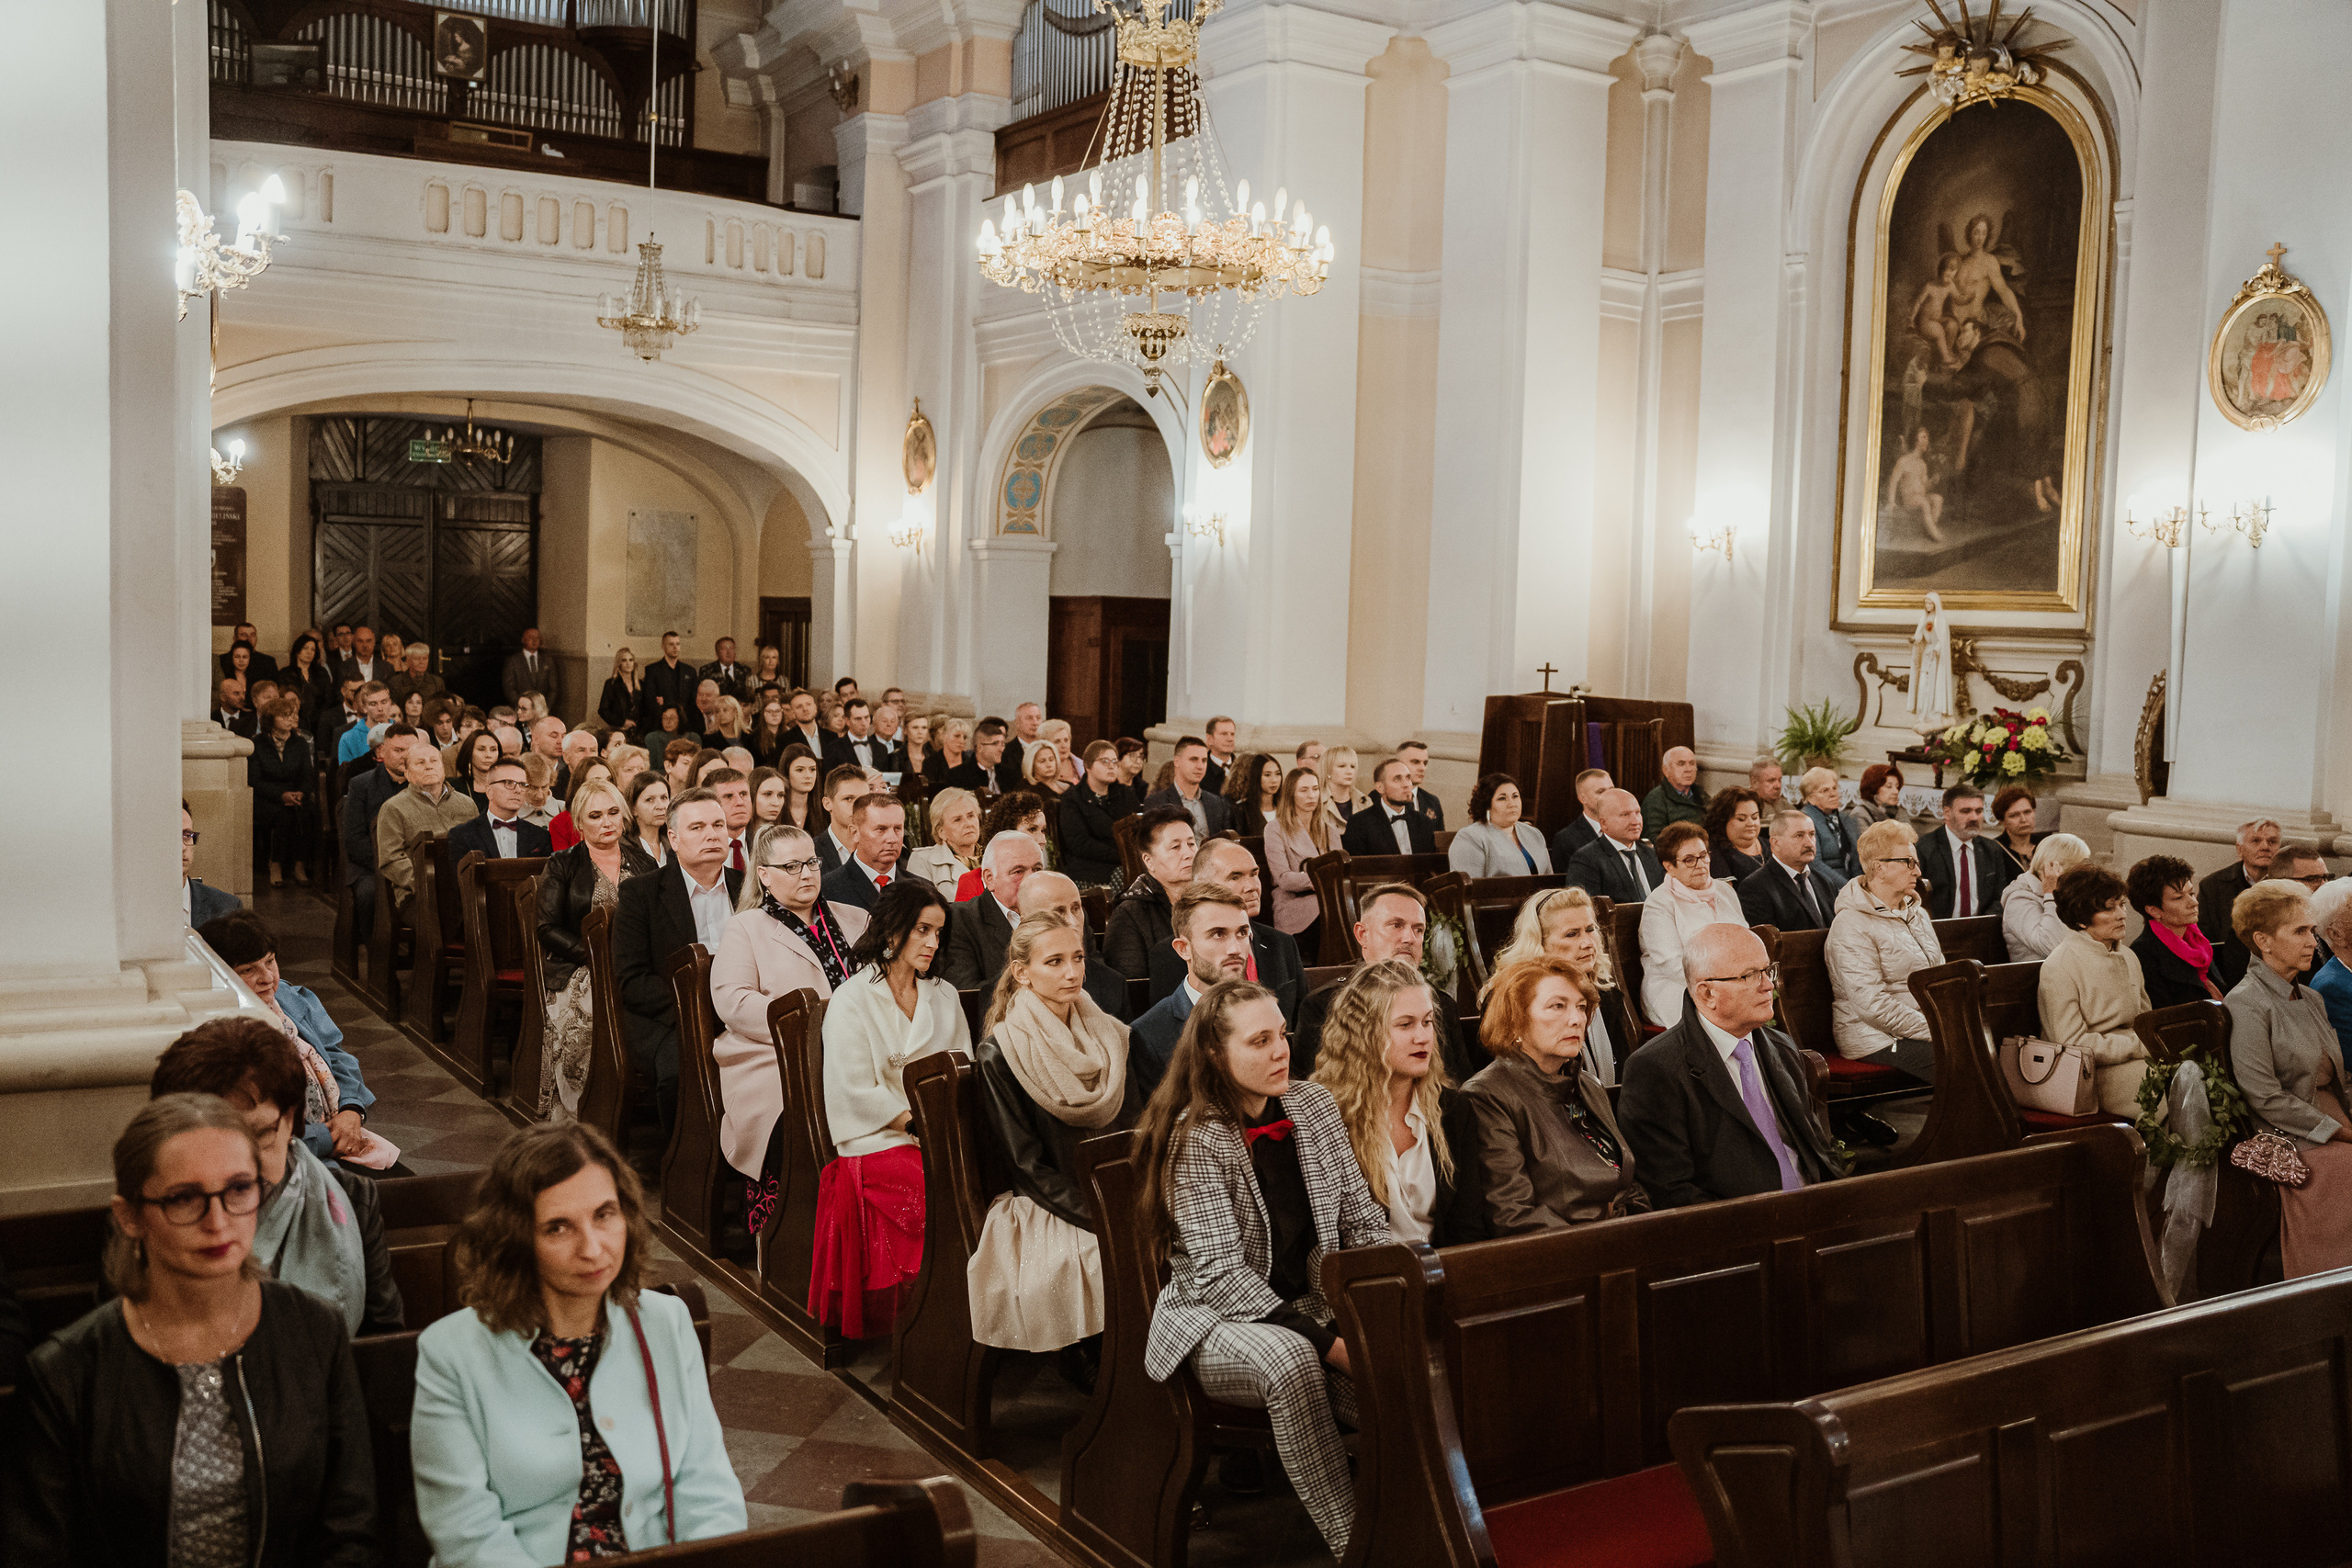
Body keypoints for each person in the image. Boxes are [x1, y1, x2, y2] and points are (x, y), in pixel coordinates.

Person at [3, 1095, 378, 1567]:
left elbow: (350, 1528)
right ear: (130, 1217)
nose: (218, 1223)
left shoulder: (314, 1331)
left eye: (239, 1189)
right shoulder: (66, 1374)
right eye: (184, 1198)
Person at [1135, 979, 1391, 1560]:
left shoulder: (1313, 1105)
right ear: (1213, 1055)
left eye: (1282, 1035)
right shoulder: (1195, 1137)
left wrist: (1375, 1310)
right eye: (1259, 1041)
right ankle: (1358, 1546)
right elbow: (1222, 1276)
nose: (1281, 1052)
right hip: (1213, 1320)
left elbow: (1361, 1220)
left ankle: (1428, 1516)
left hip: (1311, 1307)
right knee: (1293, 1359)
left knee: (1406, 1368)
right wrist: (1333, 1345)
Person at [413, 1122, 745, 1562]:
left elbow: (708, 1491)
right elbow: (468, 1536)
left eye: (605, 1214)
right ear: (517, 1239)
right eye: (558, 1228)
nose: (593, 1248)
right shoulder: (450, 1355)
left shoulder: (665, 1323)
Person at [969, 912, 1143, 1382]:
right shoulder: (999, 1053)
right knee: (1098, 1256)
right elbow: (1027, 1167)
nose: (1072, 972)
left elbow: (1142, 1122)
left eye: (1078, 958)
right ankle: (1106, 1373)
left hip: (1121, 1181)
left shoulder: (1111, 1034)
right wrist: (1100, 1214)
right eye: (1055, 962)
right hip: (1053, 1200)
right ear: (1022, 971)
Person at [149, 1018, 405, 1336]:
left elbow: (383, 1339)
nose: (242, 1166)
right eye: (218, 1141)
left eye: (261, 1135)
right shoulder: (151, 1208)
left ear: (290, 1121)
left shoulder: (352, 1196)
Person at [810, 879, 966, 1337]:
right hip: (876, 1137)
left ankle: (963, 1304)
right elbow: (853, 1087)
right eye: (922, 930)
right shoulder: (851, 999)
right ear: (893, 931)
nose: (932, 943)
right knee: (934, 1185)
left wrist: (943, 1124)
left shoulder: (946, 996)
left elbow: (960, 1069)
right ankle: (927, 1313)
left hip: (937, 1131)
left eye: (938, 933)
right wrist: (914, 1122)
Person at [710, 824, 867, 1235]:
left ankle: (860, 1240)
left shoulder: (855, 919)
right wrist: (808, 1021)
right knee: (798, 1123)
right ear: (764, 874)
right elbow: (733, 1001)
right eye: (792, 866)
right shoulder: (745, 927)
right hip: (774, 1058)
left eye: (812, 863)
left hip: (855, 1052)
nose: (807, 874)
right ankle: (786, 1243)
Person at [1618, 923, 1845, 1207]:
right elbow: (1669, 1189)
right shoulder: (1656, 1069)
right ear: (1707, 994)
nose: (1769, 985)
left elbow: (1816, 1151)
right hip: (1738, 1233)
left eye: (1767, 970)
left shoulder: (1781, 1047)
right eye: (1750, 975)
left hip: (1813, 1211)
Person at [1456, 955, 1647, 1236]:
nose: (1576, 1019)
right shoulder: (1487, 1095)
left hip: (1622, 1240)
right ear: (1516, 1019)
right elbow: (1514, 1215)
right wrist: (1605, 1242)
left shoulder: (1588, 1085)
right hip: (1561, 1259)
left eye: (1581, 1007)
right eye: (1558, 1006)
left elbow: (1629, 1185)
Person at [2225, 882, 2352, 1278]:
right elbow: (2263, 1097)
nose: (2312, 943)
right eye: (2299, 932)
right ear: (2263, 940)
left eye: (2312, 932)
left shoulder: (2310, 997)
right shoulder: (2246, 1003)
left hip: (2334, 1114)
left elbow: (2336, 1076)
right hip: (2286, 1132)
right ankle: (2327, 1295)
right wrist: (2338, 1132)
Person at [198, 910, 392, 1170]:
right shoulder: (225, 1036)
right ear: (221, 976)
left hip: (341, 1131)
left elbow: (337, 1055)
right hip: (288, 1157)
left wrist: (351, 1110)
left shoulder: (290, 997)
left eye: (270, 962)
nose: (267, 977)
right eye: (248, 970)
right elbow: (252, 1133)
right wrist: (328, 1136)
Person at [1310, 960, 1467, 1246]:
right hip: (1371, 1274)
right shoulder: (1332, 1115)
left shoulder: (1454, 1109)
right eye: (1405, 1025)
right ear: (1365, 1033)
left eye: (1427, 1022)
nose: (1423, 1037)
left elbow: (1468, 1225)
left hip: (1449, 1270)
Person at [612, 787, 742, 1132]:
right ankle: (686, 1168)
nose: (712, 834)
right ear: (673, 838)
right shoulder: (641, 893)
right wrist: (699, 1008)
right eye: (697, 827)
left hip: (742, 1011)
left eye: (718, 824)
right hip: (667, 1016)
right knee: (681, 1074)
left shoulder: (749, 889)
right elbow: (631, 979)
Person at [1292, 883, 1481, 1084]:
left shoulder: (1441, 1004)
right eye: (1396, 925)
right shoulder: (1324, 1005)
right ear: (1362, 934)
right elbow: (1313, 1096)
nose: (1410, 938)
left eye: (1418, 930)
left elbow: (1459, 1087)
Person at [532, 777, 632, 1120]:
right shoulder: (562, 864)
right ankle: (582, 1111)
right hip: (577, 969)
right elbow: (547, 928)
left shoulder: (644, 863)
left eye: (613, 812)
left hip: (630, 965)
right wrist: (596, 958)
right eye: (595, 816)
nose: (606, 822)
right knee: (589, 1013)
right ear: (579, 823)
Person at [1825, 818, 1943, 1084]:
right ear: (1879, 867)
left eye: (1917, 863)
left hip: (1922, 1027)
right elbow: (1872, 1005)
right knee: (1957, 1057)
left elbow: (1939, 976)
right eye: (1908, 862)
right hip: (1872, 1036)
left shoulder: (1917, 914)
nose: (1917, 871)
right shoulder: (1851, 924)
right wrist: (1938, 1027)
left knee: (1985, 1046)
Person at [2035, 864, 2153, 1117]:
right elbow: (2072, 1044)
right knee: (2171, 1085)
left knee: (2197, 1073)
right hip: (2089, 1073)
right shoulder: (2060, 966)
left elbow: (2144, 1020)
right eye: (2109, 908)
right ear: (2080, 918)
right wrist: (2137, 1046)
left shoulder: (2129, 956)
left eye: (2121, 904)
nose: (2122, 914)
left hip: (2136, 1058)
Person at [1487, 886, 1634, 1085]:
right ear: (1540, 944)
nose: (1588, 943)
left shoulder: (1607, 996)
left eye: (1590, 930)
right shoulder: (1513, 998)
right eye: (1572, 934)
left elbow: (1625, 1079)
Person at [1128, 883, 1260, 1097]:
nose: (1235, 949)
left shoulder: (1264, 1012)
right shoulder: (1149, 1035)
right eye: (1218, 934)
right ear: (1184, 949)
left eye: (1242, 933)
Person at [1637, 822, 1745, 1025]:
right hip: (1676, 986)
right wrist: (1719, 983)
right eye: (1689, 860)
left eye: (1704, 855)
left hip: (1731, 982)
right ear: (1669, 866)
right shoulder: (1659, 903)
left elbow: (1744, 939)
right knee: (1715, 1015)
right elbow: (1670, 963)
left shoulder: (1725, 890)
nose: (1701, 864)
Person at [375, 733, 481, 919]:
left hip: (465, 889)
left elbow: (479, 846)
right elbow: (391, 859)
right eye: (420, 763)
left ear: (443, 767)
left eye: (434, 761)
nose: (429, 766)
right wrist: (427, 884)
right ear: (407, 773)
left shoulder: (467, 804)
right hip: (416, 894)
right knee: (446, 916)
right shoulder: (393, 808)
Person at [940, 829, 1044, 989]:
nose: (1031, 879)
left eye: (1037, 870)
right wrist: (1045, 980)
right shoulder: (960, 921)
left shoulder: (1064, 911)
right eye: (1018, 872)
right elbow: (969, 992)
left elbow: (1093, 973)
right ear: (989, 879)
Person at [1104, 807, 1196, 986]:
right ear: (1148, 861)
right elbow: (1133, 987)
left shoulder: (1210, 901)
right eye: (1175, 847)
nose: (1188, 854)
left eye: (1191, 844)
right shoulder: (1129, 913)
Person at [2129, 854, 2224, 1009]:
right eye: (2179, 898)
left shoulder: (2197, 940)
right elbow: (2163, 1018)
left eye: (2192, 893)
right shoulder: (2144, 952)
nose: (2194, 903)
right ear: (2154, 910)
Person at [1736, 808, 1844, 934]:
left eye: (1812, 834)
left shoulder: (1824, 882)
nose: (1809, 843)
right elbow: (1769, 945)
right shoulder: (1755, 887)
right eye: (1799, 835)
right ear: (1776, 843)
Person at [249, 696, 315, 887]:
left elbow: (307, 775)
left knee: (306, 813)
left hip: (296, 794)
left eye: (292, 715)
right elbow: (255, 781)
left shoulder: (299, 743)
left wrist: (301, 792)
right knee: (283, 815)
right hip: (268, 798)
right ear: (271, 719)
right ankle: (275, 863)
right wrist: (281, 795)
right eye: (284, 716)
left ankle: (299, 864)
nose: (290, 719)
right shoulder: (258, 744)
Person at [1917, 783, 2009, 919]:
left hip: (1981, 930)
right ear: (1947, 813)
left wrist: (1979, 926)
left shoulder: (1991, 849)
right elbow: (1916, 900)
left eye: (1978, 811)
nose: (1974, 818)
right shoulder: (1924, 848)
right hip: (1938, 931)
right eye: (1966, 811)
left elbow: (2000, 896)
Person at [1265, 766, 1330, 955]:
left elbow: (1339, 871)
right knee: (1329, 913)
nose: (1312, 795)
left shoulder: (1328, 829)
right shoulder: (1275, 828)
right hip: (1293, 903)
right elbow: (1284, 878)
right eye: (1304, 790)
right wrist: (1321, 881)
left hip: (1327, 899)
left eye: (1315, 789)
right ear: (1291, 794)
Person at [1562, 787, 1663, 907]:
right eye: (1625, 815)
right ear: (1604, 823)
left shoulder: (1652, 853)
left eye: (1637, 813)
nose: (1635, 821)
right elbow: (1585, 909)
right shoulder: (1586, 859)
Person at [2000, 832, 2090, 961]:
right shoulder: (2019, 898)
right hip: (2035, 975)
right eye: (2078, 869)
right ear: (2053, 868)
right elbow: (2051, 946)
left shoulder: (2069, 893)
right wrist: (2051, 894)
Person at [1060, 740, 1138, 887]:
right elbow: (1080, 844)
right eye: (1105, 761)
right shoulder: (1073, 798)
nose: (1111, 766)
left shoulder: (1126, 795)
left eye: (1115, 762)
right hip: (1089, 867)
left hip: (1124, 860)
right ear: (1088, 766)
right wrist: (1122, 855)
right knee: (1126, 875)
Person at [1449, 773, 1551, 877]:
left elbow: (1549, 881)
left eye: (1515, 796)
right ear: (1487, 805)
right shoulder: (1470, 838)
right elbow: (1471, 889)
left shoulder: (1534, 833)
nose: (1512, 804)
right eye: (1502, 798)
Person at [820, 791, 908, 912]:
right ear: (855, 833)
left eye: (898, 829)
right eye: (881, 829)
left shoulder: (923, 889)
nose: (892, 839)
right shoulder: (826, 889)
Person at [1340, 757, 1438, 858]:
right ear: (1380, 788)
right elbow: (1357, 870)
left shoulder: (1423, 822)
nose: (1406, 785)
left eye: (1408, 778)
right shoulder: (1359, 823)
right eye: (1397, 779)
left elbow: (1431, 865)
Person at [1145, 735, 1232, 841]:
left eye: (1204, 761)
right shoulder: (1157, 803)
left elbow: (1225, 842)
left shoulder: (1217, 803)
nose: (1200, 766)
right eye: (1194, 759)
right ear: (1177, 762)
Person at [964, 791, 1056, 890]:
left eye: (1043, 831)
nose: (1043, 840)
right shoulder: (971, 882)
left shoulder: (1048, 879)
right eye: (1032, 829)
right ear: (1008, 832)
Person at [903, 785, 983, 895]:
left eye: (971, 816)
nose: (968, 824)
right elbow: (922, 908)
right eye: (957, 820)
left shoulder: (995, 855)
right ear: (941, 832)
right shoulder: (922, 860)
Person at [180, 802, 243, 929]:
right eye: (171, 837)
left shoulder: (226, 909)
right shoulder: (133, 907)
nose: (182, 847)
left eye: (187, 836)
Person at [1798, 765, 1861, 880]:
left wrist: (1860, 883)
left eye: (1835, 788)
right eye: (1825, 790)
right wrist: (1848, 887)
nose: (1833, 794)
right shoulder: (1806, 819)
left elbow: (1856, 857)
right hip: (1824, 885)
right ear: (1810, 797)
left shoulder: (1842, 817)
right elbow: (1814, 864)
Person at [1547, 767, 1615, 865]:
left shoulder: (1625, 828)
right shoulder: (1566, 839)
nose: (1609, 795)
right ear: (1583, 799)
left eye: (1611, 790)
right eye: (1600, 791)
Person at [1641, 746, 1708, 839]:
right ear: (1666, 771)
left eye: (1692, 763)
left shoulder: (1702, 795)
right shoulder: (1655, 800)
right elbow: (1655, 840)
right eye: (1681, 764)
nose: (1688, 769)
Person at [1703, 786, 1767, 882]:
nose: (1751, 824)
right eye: (1741, 819)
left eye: (1754, 817)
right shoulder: (1714, 852)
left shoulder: (1770, 845)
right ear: (1723, 821)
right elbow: (1727, 894)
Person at [1984, 784, 2047, 880]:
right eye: (2014, 815)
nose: (2023, 819)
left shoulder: (2045, 844)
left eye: (2027, 812)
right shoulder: (1994, 850)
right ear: (2002, 820)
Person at [946, 716, 1018, 795]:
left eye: (1002, 744)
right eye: (995, 743)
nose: (1001, 749)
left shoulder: (1009, 775)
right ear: (980, 747)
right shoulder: (958, 776)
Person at [502, 626, 563, 716]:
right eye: (530, 637)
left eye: (537, 638)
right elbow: (509, 689)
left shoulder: (548, 661)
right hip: (520, 711)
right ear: (523, 640)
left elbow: (553, 689)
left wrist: (545, 708)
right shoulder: (513, 661)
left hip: (542, 711)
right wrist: (522, 706)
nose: (534, 640)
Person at [622, 770, 671, 876]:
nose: (661, 806)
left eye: (664, 798)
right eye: (649, 800)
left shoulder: (674, 843)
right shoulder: (623, 847)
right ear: (633, 808)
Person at [1317, 745, 1368, 839]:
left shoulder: (1365, 802)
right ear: (1327, 770)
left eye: (1353, 766)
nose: (1349, 771)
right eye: (1342, 766)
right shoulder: (1316, 802)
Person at [1221, 751, 1282, 828]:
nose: (1274, 780)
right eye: (1267, 775)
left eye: (1278, 774)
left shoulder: (1287, 809)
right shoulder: (1240, 811)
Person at [1396, 739, 1445, 829]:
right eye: (1415, 762)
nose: (1422, 768)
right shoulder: (1382, 798)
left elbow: (1439, 840)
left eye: (1425, 763)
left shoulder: (1432, 801)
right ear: (1399, 764)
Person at [1849, 762, 1905, 837]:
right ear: (1874, 789)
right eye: (1889, 786)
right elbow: (1865, 846)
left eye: (1897, 787)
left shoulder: (1899, 812)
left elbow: (1911, 841)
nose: (1896, 791)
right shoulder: (1860, 814)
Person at [1198, 715, 1238, 795]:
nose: (1230, 739)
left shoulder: (1244, 770)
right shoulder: (1200, 770)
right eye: (1224, 734)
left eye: (1232, 734)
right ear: (1210, 739)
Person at [923, 717, 969, 784]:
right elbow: (926, 790)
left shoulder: (971, 763)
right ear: (945, 736)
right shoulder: (930, 764)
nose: (962, 741)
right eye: (957, 736)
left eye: (964, 737)